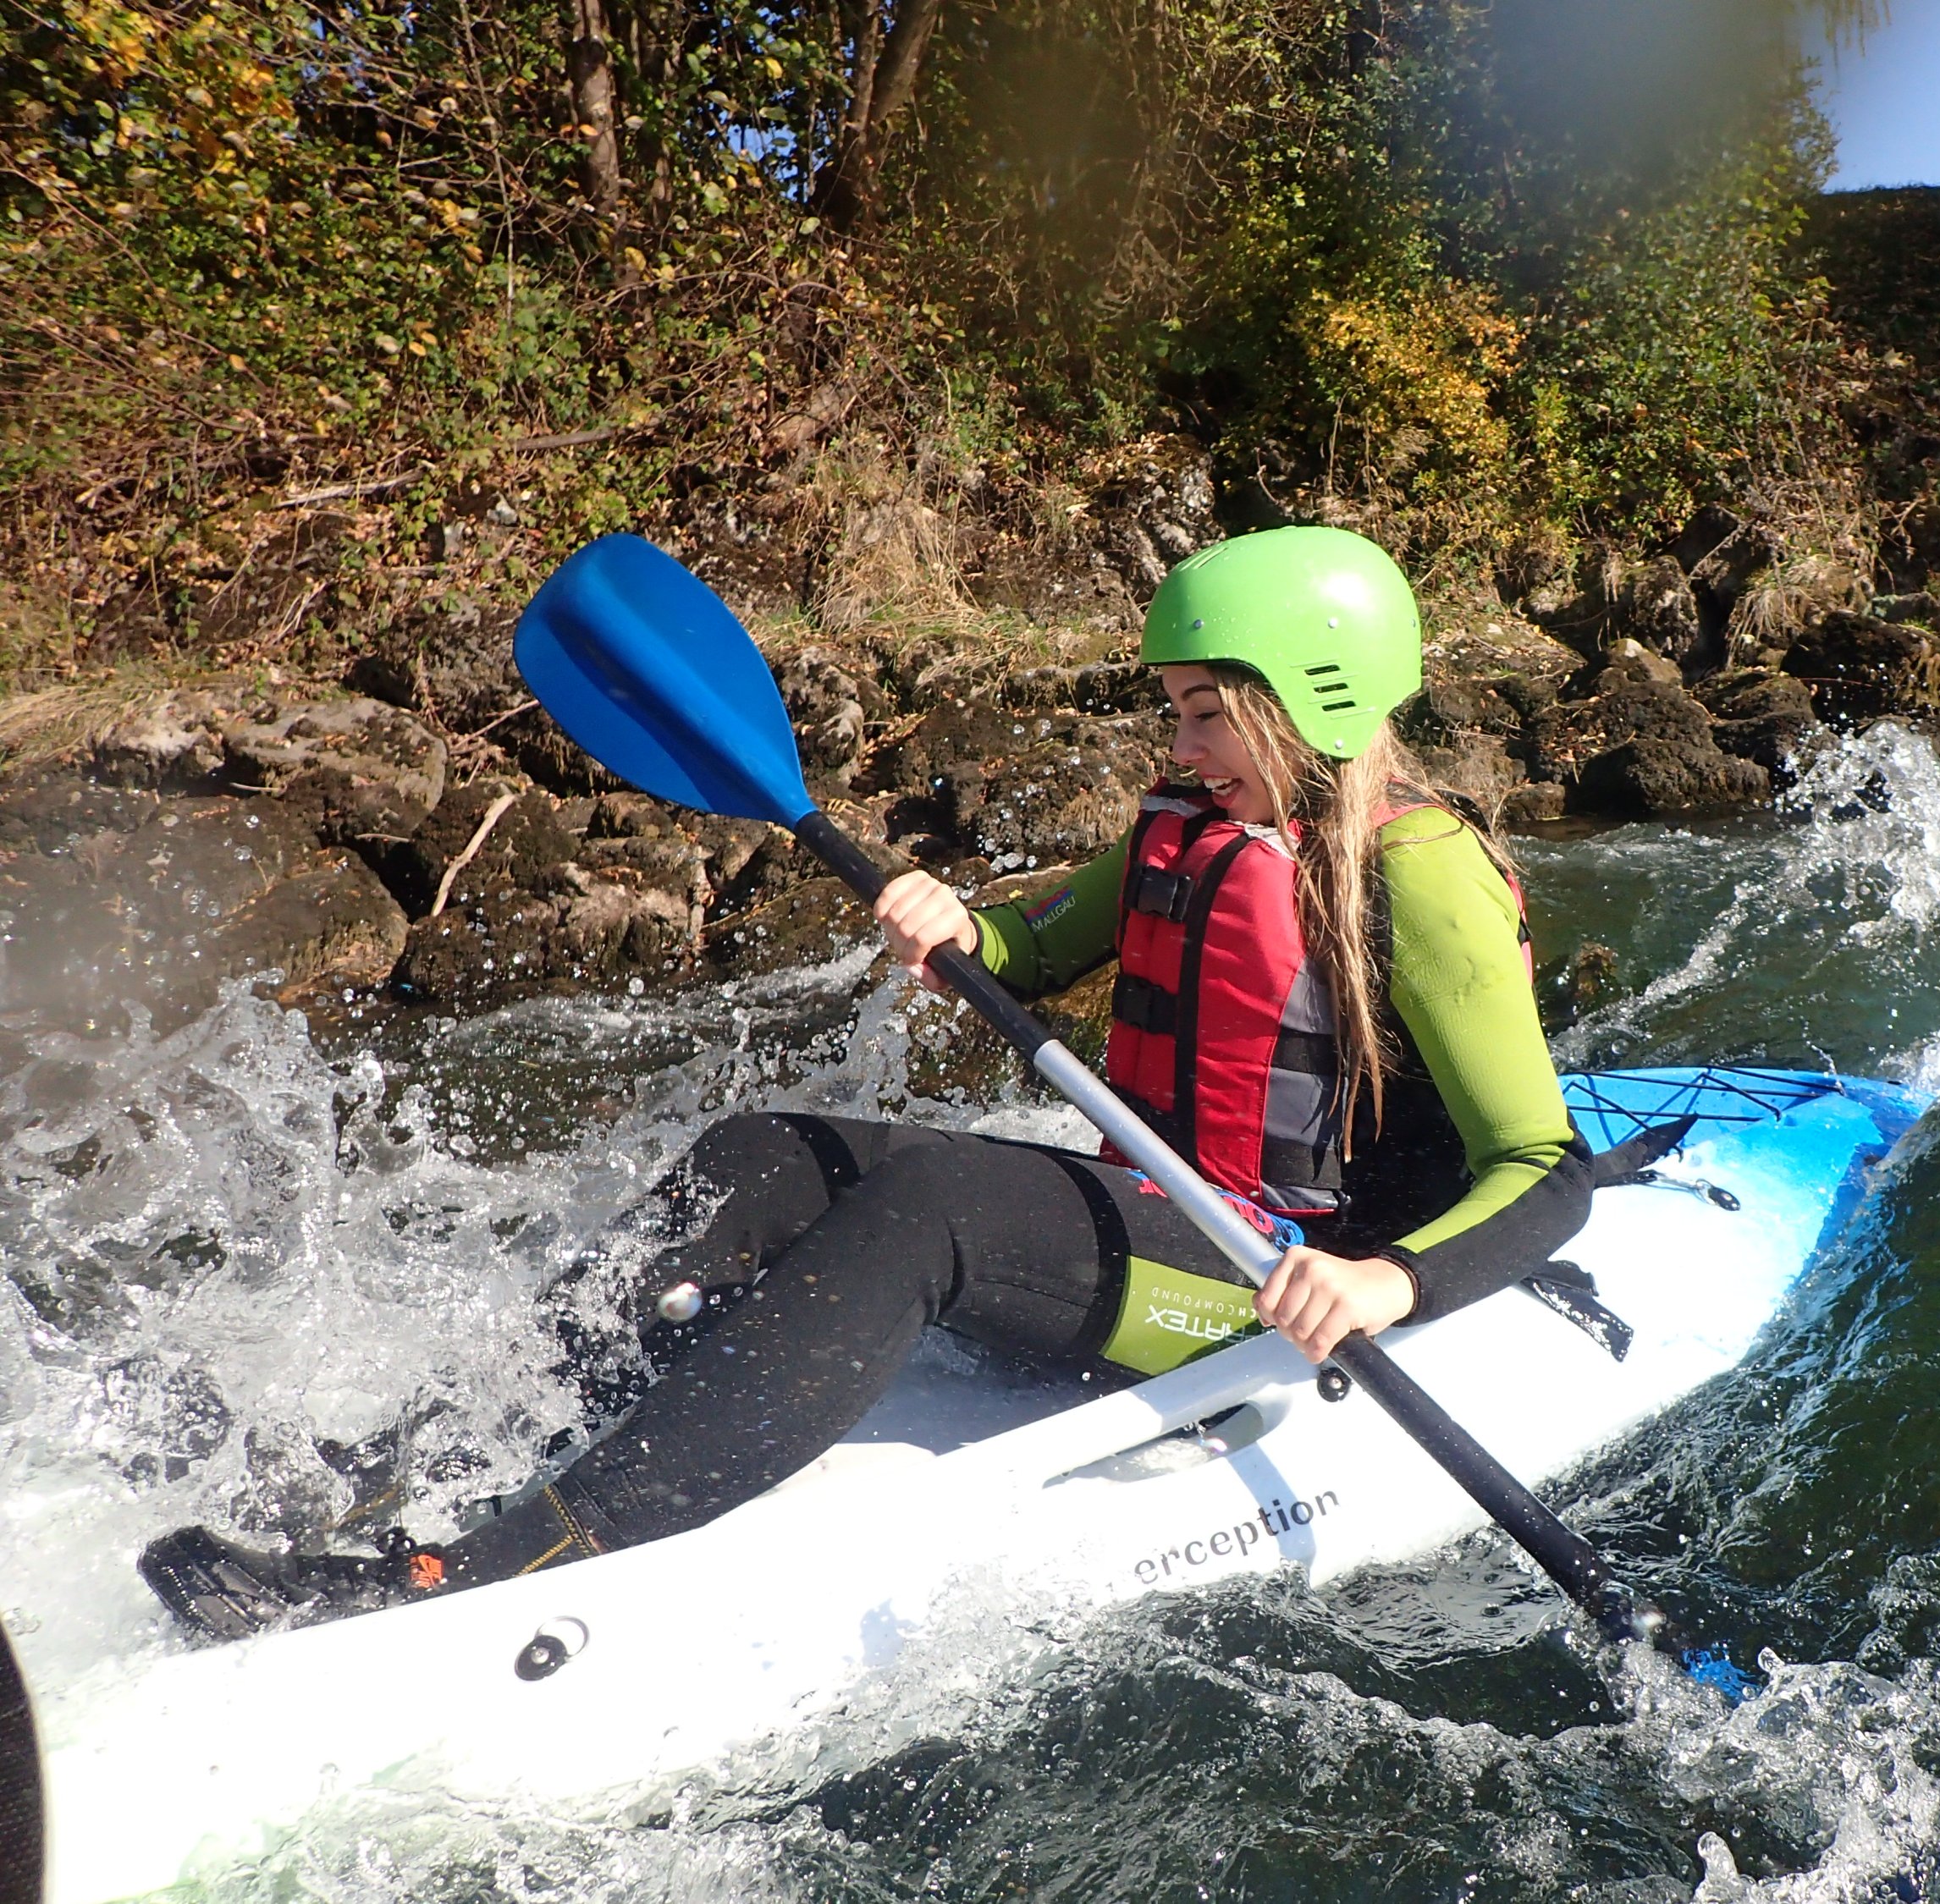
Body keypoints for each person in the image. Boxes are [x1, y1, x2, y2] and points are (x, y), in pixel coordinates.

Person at [141, 526, 1596, 1638]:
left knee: (936, 1205)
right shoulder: (1195, 827)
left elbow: (1547, 1165)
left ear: (1313, 701)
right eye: (1176, 710)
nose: (1180, 745)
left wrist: (1385, 1282)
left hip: (1270, 1279)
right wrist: (961, 925)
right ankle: (406, 1458)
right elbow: (1031, 947)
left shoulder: (1423, 871)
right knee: (765, 1150)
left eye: (1209, 712)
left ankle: (488, 1564)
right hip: (1172, 1205)